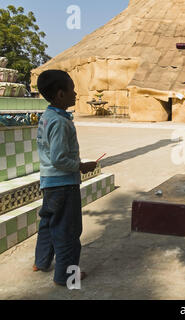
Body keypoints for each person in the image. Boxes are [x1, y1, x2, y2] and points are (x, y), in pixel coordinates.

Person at [33, 70, 97, 286]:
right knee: (68, 231)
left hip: (49, 183)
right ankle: (66, 276)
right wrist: (81, 167)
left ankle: (41, 262)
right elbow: (59, 159)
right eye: (72, 89)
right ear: (61, 94)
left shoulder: (48, 117)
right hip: (63, 184)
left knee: (49, 223)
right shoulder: (60, 123)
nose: (76, 93)